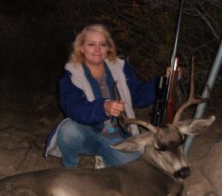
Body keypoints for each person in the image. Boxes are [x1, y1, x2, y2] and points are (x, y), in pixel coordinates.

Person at [44, 23, 159, 168]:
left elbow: (138, 96)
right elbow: (75, 109)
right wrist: (103, 107)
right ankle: (70, 171)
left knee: (138, 172)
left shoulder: (121, 69)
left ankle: (105, 158)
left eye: (102, 44)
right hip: (90, 134)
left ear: (108, 48)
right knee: (68, 130)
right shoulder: (71, 77)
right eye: (91, 44)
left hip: (119, 137)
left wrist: (163, 82)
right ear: (81, 48)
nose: (97, 49)